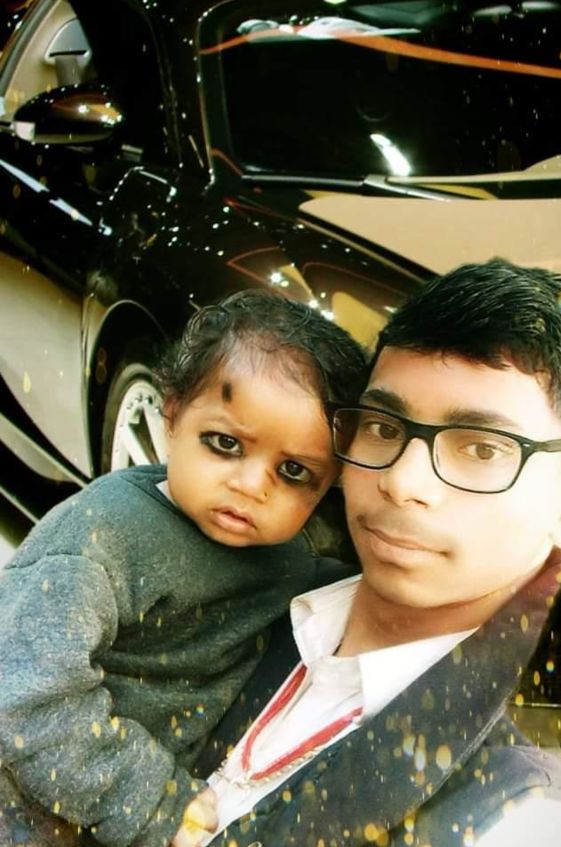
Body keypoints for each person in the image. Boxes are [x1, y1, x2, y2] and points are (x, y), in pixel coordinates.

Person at [198, 259, 561, 847]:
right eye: (384, 427)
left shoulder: (517, 817)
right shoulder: (241, 586)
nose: (401, 481)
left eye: (482, 448)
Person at [0, 290, 367, 847]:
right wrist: (155, 804)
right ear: (171, 414)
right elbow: (24, 695)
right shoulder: (100, 539)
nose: (252, 485)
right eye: (225, 443)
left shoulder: (291, 562)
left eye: (294, 472)